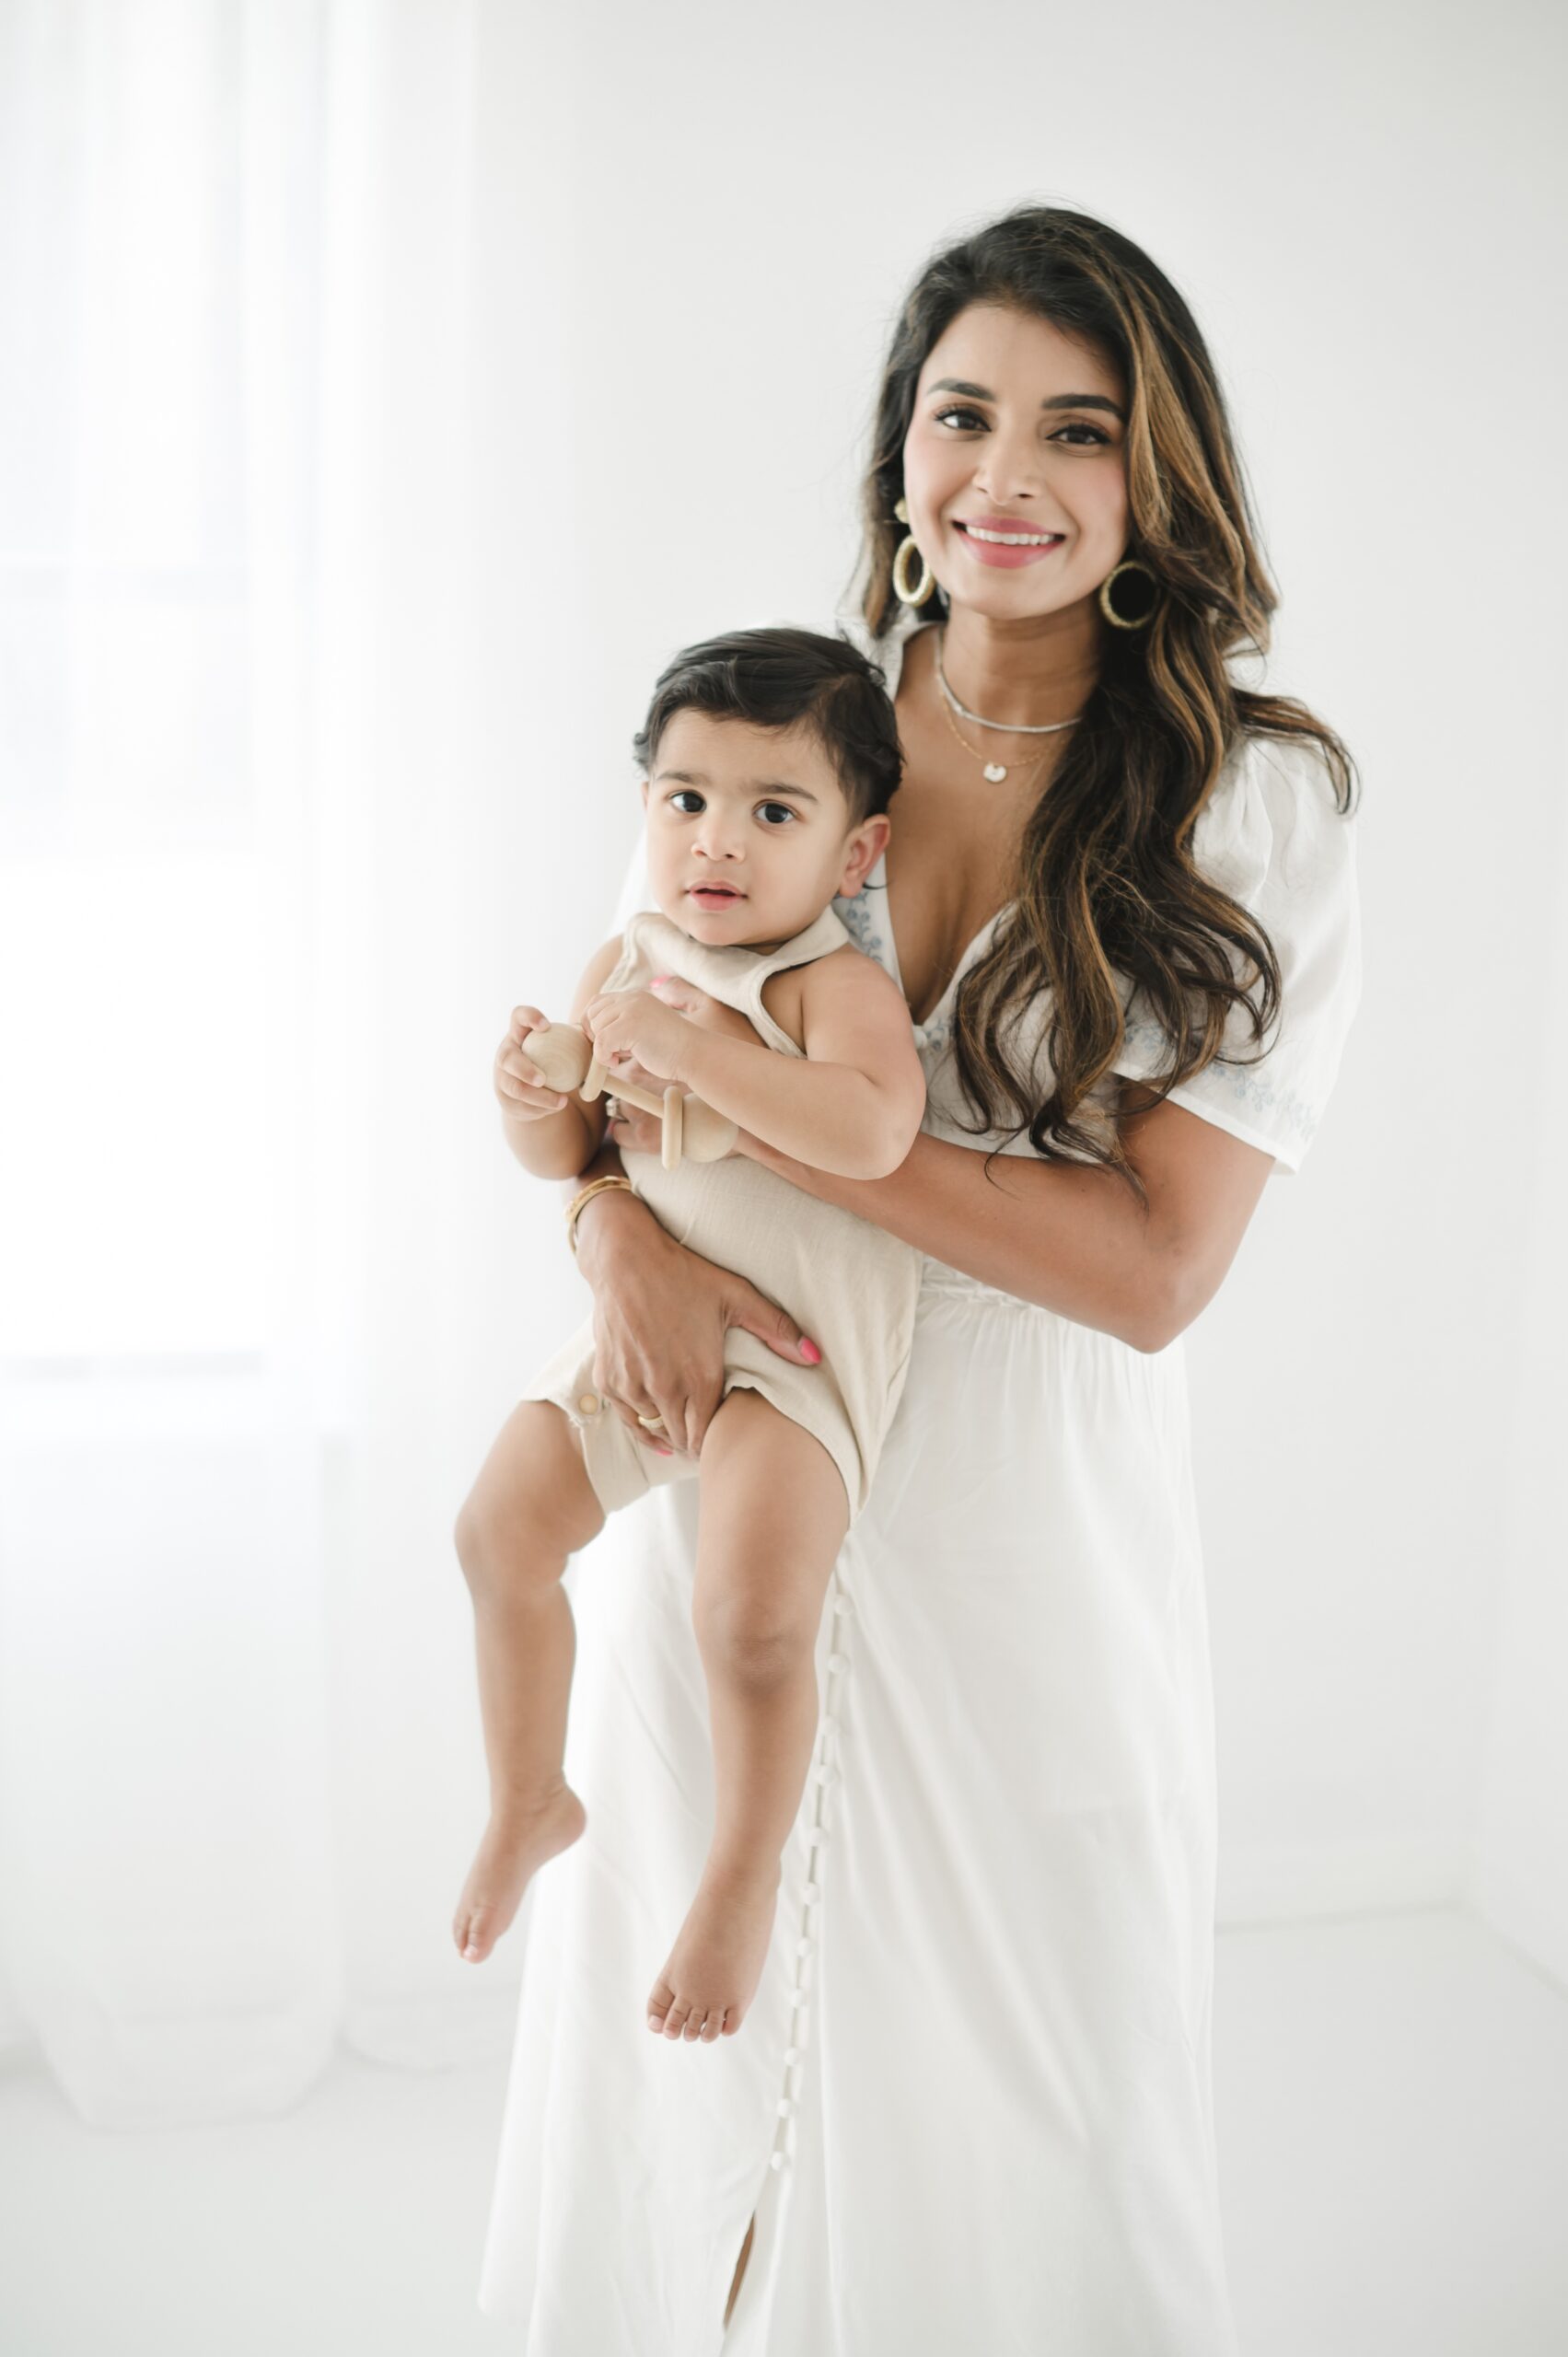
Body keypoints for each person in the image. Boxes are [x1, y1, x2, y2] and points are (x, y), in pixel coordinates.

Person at [474, 203, 1362, 2356]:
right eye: (963, 414)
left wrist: (790, 1144)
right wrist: (612, 1239)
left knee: (1031, 2090)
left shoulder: (1252, 800)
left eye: (1080, 430)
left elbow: (1153, 1272)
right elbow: (612, 1070)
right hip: (722, 1472)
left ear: (1157, 481)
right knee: (683, 2069)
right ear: (900, 456)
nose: (1009, 478)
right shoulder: (783, 731)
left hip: (1019, 1524)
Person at [452, 627, 928, 2043]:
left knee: (756, 1621)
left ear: (855, 855)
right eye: (686, 800)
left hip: (791, 1362)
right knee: (496, 1533)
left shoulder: (824, 984)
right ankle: (530, 1796)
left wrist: (704, 1052)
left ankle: (739, 1871)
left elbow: (875, 1130)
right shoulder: (633, 955)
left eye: (774, 813)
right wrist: (532, 1093)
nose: (718, 841)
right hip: (640, 1322)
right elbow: (570, 1156)